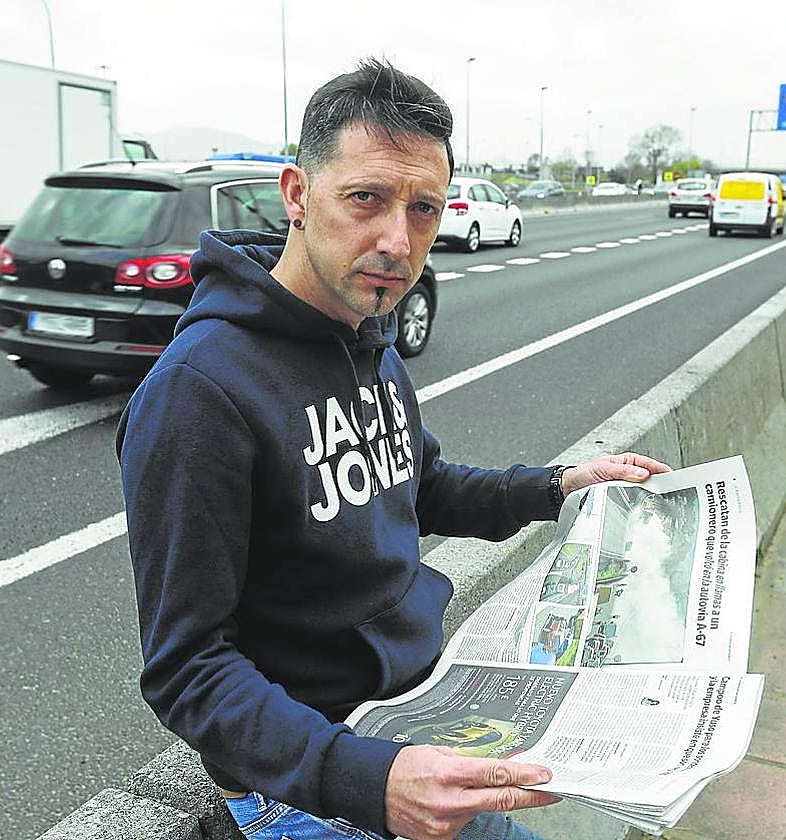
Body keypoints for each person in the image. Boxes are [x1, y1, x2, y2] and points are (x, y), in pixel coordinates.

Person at [116, 58, 670, 840]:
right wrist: (368, 780)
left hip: (415, 720)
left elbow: (421, 482)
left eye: (424, 210)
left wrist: (557, 488)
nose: (396, 241)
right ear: (298, 195)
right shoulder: (200, 392)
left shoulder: (364, 331)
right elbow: (185, 671)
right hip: (313, 784)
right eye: (366, 199)